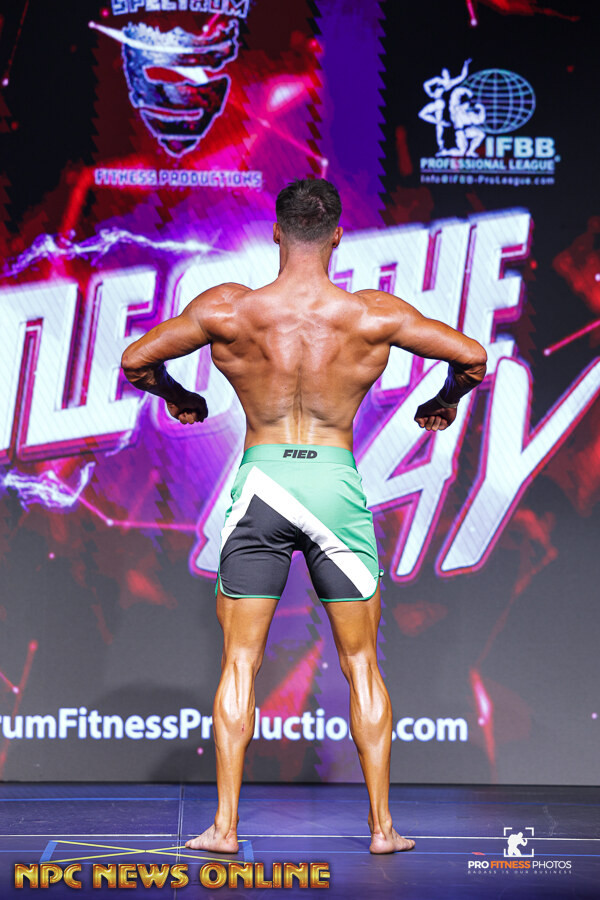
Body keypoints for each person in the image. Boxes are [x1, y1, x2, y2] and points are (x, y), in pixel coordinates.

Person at [121, 179, 487, 855]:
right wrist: (442, 404)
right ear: (338, 235)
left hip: (262, 483)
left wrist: (179, 397)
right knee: (362, 663)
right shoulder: (371, 314)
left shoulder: (229, 308)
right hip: (332, 485)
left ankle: (225, 828)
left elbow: (136, 361)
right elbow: (472, 358)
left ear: (276, 232)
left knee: (240, 662)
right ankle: (382, 830)